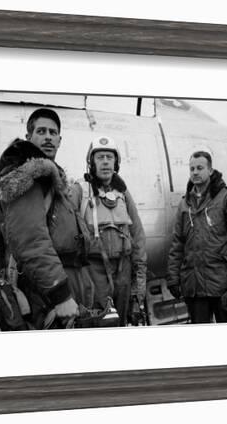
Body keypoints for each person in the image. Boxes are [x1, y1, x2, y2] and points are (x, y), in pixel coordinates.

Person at [0, 108, 94, 329]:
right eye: (41, 131)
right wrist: (61, 295)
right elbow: (31, 241)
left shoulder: (52, 181)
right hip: (45, 297)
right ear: (29, 137)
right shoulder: (27, 176)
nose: (48, 136)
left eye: (53, 132)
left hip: (60, 290)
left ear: (59, 140)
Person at [166, 150, 227, 324]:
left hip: (223, 286)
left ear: (210, 170)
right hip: (195, 288)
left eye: (200, 168)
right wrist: (173, 278)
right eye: (192, 169)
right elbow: (177, 244)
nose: (195, 172)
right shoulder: (185, 204)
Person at [73, 135, 147, 326]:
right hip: (93, 271)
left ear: (116, 162)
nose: (105, 162)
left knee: (120, 324)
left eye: (109, 157)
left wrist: (139, 283)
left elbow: (137, 235)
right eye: (100, 157)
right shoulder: (80, 191)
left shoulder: (123, 193)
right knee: (97, 324)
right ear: (92, 162)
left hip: (123, 269)